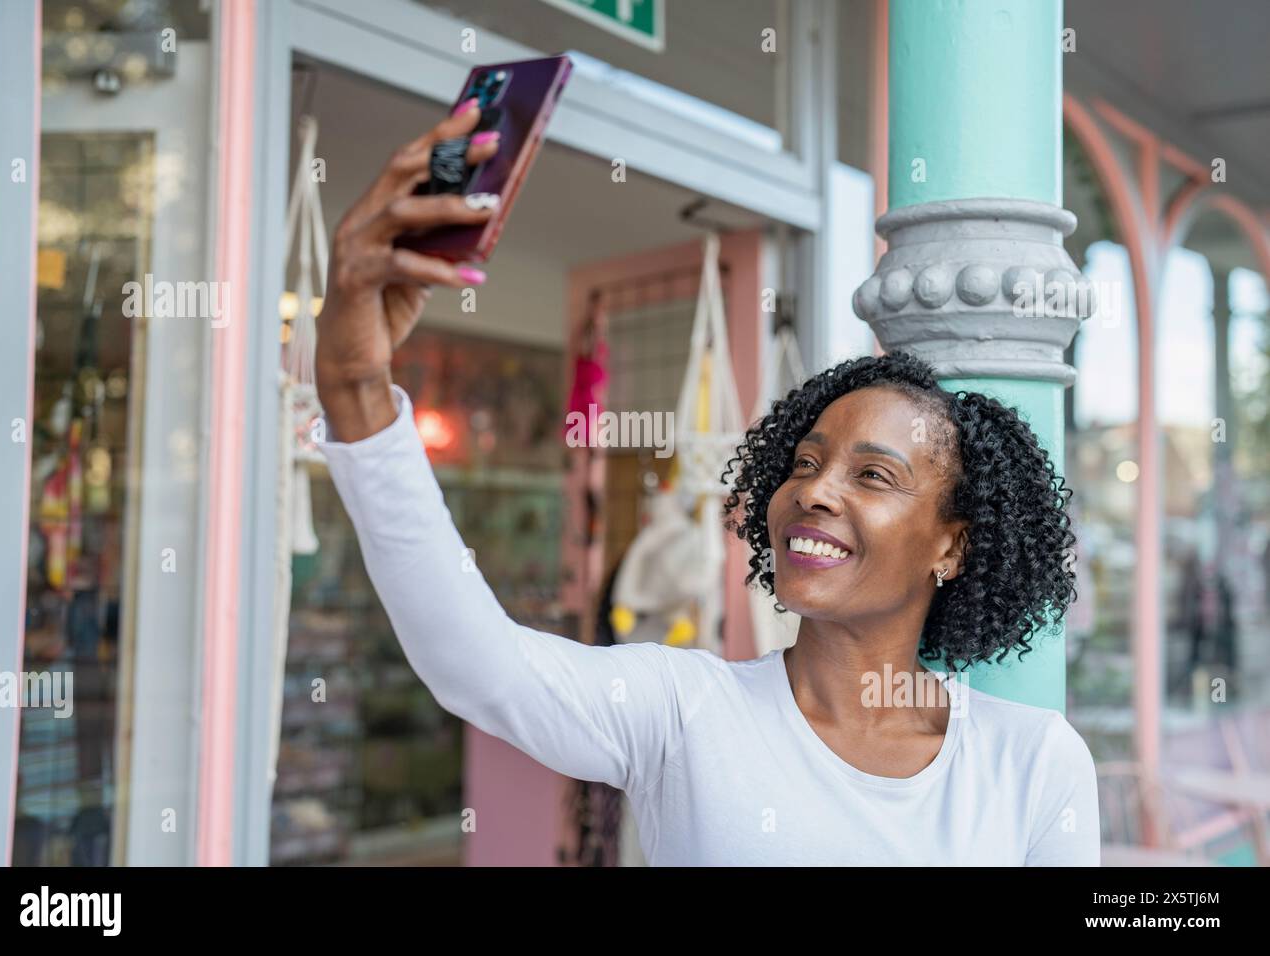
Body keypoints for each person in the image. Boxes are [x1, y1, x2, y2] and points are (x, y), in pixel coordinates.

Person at [314, 103, 1101, 866]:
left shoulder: (1030, 762)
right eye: (804, 462)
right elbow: (475, 664)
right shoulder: (683, 710)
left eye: (872, 475)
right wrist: (354, 381)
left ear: (951, 545)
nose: (814, 492)